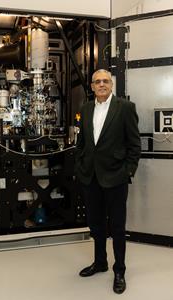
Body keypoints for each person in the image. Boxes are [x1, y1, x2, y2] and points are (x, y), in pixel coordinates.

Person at [75, 69, 141, 294]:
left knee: (117, 227)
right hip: (90, 177)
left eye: (105, 81)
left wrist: (128, 171)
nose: (101, 84)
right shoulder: (85, 109)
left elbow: (134, 144)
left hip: (115, 177)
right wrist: (80, 166)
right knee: (96, 224)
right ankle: (100, 262)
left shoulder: (125, 108)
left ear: (111, 85)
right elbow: (81, 143)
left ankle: (119, 270)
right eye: (97, 82)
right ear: (92, 86)